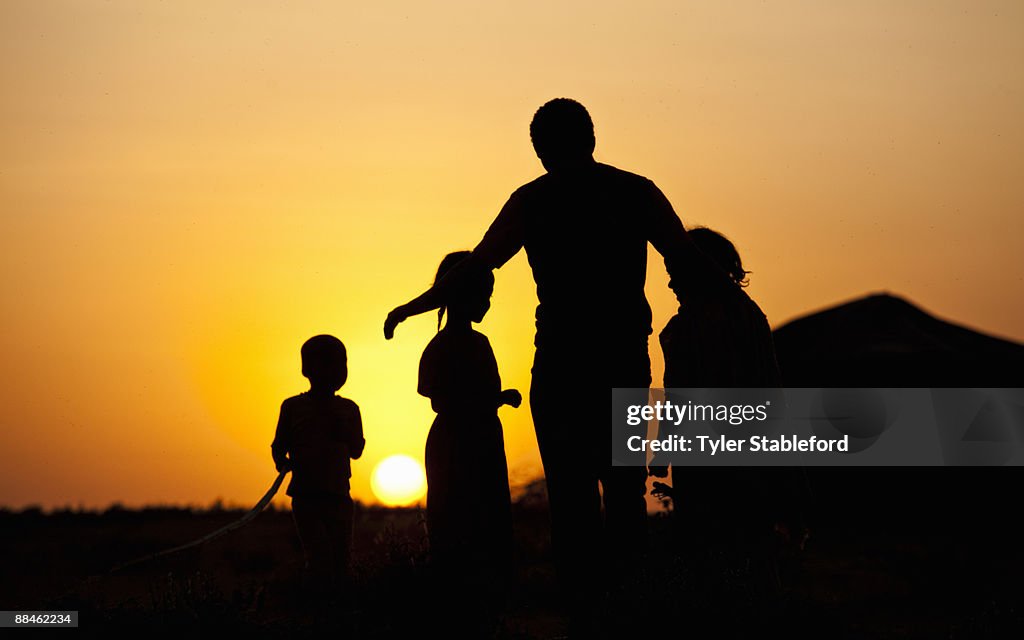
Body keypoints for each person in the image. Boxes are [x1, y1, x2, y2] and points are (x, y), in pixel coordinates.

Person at [385, 99, 737, 625]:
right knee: (623, 494)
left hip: (562, 368)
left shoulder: (533, 200)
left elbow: (476, 268)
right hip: (621, 362)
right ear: (592, 137)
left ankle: (585, 616)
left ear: (540, 149)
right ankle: (628, 612)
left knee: (571, 501)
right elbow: (685, 257)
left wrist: (414, 307)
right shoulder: (634, 190)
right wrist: (739, 303)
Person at [416, 250, 520, 632]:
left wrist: (493, 400)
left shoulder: (481, 343)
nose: (487, 303)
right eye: (481, 294)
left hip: (483, 439)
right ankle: (456, 609)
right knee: (454, 518)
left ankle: (486, 609)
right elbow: (440, 397)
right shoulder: (441, 347)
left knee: (489, 518)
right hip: (456, 444)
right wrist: (491, 399)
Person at [271, 334, 365, 601]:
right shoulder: (292, 407)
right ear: (307, 368)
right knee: (319, 558)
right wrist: (282, 462)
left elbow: (357, 451)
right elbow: (279, 445)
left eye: (341, 363)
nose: (336, 370)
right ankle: (315, 610)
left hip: (339, 498)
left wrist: (344, 431)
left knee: (340, 562)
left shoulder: (349, 409)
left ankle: (337, 614)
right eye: (328, 363)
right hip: (306, 498)